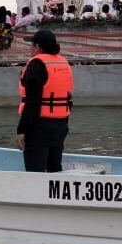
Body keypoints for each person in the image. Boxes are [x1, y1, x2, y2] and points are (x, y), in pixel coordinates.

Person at [15, 29, 73, 173]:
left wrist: (21, 130)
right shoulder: (63, 63)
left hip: (39, 127)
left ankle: (35, 194)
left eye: (31, 45)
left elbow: (32, 102)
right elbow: (67, 99)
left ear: (38, 47)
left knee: (35, 171)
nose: (30, 49)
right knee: (55, 169)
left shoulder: (36, 65)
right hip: (60, 126)